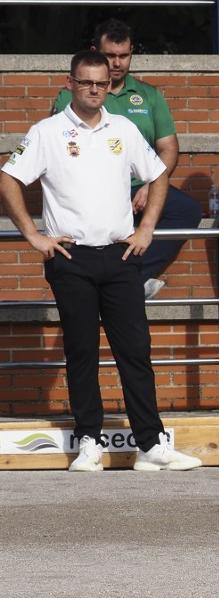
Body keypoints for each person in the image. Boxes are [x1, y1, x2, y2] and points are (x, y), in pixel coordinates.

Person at [0, 50, 202, 472]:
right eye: (85, 81)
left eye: (101, 82)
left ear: (110, 85)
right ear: (70, 82)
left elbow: (158, 173)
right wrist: (33, 235)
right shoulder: (47, 131)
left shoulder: (124, 128)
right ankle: (89, 441)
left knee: (135, 350)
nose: (94, 89)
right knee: (81, 351)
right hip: (69, 257)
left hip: (120, 255)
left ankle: (151, 445)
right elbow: (9, 177)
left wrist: (146, 228)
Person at [50, 19, 202, 300]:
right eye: (110, 56)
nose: (118, 63)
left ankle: (135, 275)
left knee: (187, 210)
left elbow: (168, 148)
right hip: (93, 187)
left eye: (124, 55)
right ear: (95, 52)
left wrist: (151, 185)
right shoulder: (76, 94)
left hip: (138, 184)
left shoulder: (149, 95)